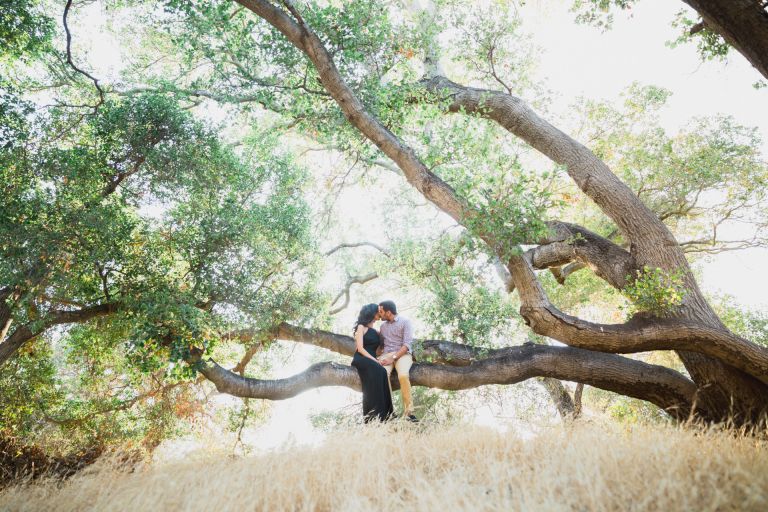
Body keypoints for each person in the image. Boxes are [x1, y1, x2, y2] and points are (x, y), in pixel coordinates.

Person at [351, 303, 394, 422]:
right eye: (377, 312)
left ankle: (385, 416)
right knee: (379, 369)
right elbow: (360, 348)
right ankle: (372, 416)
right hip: (361, 358)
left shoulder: (376, 331)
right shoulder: (361, 327)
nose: (379, 314)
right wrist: (375, 360)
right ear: (371, 313)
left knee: (382, 372)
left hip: (372, 359)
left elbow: (379, 350)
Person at [377, 300, 418, 422]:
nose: (379, 315)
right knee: (382, 375)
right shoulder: (382, 327)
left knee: (403, 375)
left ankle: (409, 413)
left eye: (381, 312)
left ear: (388, 312)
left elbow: (407, 345)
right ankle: (389, 413)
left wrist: (393, 358)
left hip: (403, 354)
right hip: (386, 354)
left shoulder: (406, 322)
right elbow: (381, 346)